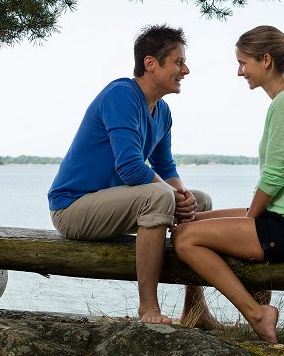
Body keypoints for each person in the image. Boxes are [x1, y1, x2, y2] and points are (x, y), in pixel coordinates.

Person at [48, 24, 219, 327]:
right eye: (179, 62)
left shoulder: (162, 111)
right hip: (72, 208)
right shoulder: (121, 95)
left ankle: (196, 312)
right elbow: (130, 168)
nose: (186, 70)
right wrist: (168, 195)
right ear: (151, 63)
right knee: (159, 196)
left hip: (114, 205)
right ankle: (148, 308)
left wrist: (183, 196)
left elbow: (165, 167)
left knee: (200, 201)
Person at [171, 25, 284, 343]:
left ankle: (258, 314)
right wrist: (248, 221)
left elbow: (274, 177)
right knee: (187, 221)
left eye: (244, 63)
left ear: (266, 60)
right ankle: (197, 310)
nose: (240, 71)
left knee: (185, 239)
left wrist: (248, 221)